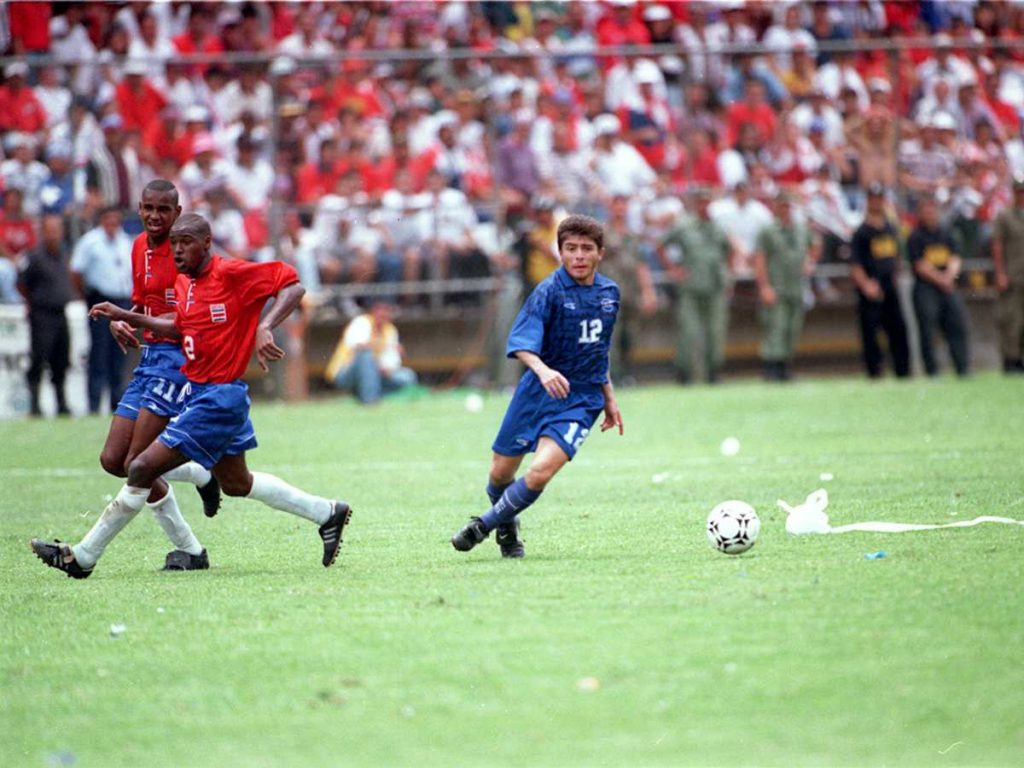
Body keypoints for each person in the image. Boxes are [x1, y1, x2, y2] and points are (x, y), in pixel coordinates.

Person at [31, 214, 352, 579]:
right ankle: (327, 512)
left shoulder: (231, 274)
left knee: (139, 466)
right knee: (236, 483)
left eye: (186, 242)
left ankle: (83, 557)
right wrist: (127, 316)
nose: (177, 249)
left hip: (219, 398)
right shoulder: (185, 282)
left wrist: (265, 325)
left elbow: (292, 286)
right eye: (175, 243)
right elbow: (179, 325)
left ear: (207, 243)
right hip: (202, 393)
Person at [450, 214, 623, 559]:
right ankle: (507, 523)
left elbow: (598, 351)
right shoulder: (548, 291)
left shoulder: (610, 294)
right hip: (537, 393)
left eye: (586, 249)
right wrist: (543, 371)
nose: (578, 256)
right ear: (559, 251)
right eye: (570, 248)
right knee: (500, 472)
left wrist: (608, 397)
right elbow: (522, 343)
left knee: (540, 471)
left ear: (600, 253)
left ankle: (482, 526)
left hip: (581, 399)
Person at [661, 189, 733, 384]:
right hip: (690, 287)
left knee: (715, 331)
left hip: (714, 286)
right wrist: (673, 269)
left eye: (707, 202)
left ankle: (714, 372)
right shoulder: (683, 225)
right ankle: (685, 373)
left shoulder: (717, 227)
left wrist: (727, 275)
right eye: (700, 202)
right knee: (689, 332)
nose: (704, 206)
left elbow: (729, 250)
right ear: (694, 204)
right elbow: (660, 244)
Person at [70, 206, 133, 414]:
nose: (112, 224)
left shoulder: (125, 241)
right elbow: (76, 271)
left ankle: (116, 402)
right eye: (109, 220)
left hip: (122, 302)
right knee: (99, 353)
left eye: (116, 220)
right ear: (101, 220)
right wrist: (86, 296)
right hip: (101, 301)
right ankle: (94, 404)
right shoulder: (91, 241)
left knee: (119, 353)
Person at [753, 193, 820, 381]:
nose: (785, 209)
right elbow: (760, 260)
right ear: (775, 207)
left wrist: (810, 262)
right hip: (776, 286)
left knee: (792, 328)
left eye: (788, 206)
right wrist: (764, 286)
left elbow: (815, 244)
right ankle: (771, 368)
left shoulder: (800, 229)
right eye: (782, 205)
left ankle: (785, 367)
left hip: (795, 287)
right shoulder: (768, 230)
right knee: (775, 328)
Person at [850, 183, 910, 379]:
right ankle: (874, 373)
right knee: (870, 334)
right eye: (873, 198)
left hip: (889, 287)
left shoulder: (891, 229)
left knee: (898, 330)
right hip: (870, 289)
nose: (876, 202)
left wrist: (896, 275)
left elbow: (897, 257)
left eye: (879, 198)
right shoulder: (861, 232)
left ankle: (902, 371)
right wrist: (866, 284)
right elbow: (855, 263)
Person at [17, 214, 75, 417]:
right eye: (50, 230)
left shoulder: (63, 253)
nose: (54, 234)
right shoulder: (34, 257)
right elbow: (21, 283)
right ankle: (34, 405)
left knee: (61, 359)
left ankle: (61, 403)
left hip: (61, 313)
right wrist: (33, 302)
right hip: (42, 315)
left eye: (57, 229)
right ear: (43, 232)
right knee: (38, 359)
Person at [907, 196, 970, 377]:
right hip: (926, 288)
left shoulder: (947, 233)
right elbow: (919, 265)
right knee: (927, 330)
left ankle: (962, 368)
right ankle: (932, 371)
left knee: (957, 325)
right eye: (925, 210)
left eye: (932, 209)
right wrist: (941, 279)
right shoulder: (916, 236)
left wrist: (949, 277)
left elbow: (955, 257)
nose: (929, 213)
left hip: (948, 286)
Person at [601, 194, 657, 382]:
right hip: (608, 294)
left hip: (630, 293)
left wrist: (648, 291)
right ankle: (612, 376)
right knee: (610, 338)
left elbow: (641, 265)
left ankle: (625, 374)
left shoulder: (632, 236)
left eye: (624, 206)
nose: (620, 210)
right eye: (617, 205)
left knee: (629, 335)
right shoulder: (601, 234)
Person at [324, 301, 418, 405]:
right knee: (366, 356)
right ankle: (370, 401)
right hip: (345, 372)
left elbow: (393, 358)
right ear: (373, 312)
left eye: (386, 312)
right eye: (380, 312)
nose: (383, 315)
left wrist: (388, 368)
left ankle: (368, 394)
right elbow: (358, 347)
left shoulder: (390, 329)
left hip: (377, 372)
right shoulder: (361, 322)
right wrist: (384, 346)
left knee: (407, 376)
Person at [991, 177, 1024, 373]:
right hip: (1012, 278)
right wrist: (1000, 273)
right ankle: (1010, 361)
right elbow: (997, 245)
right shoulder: (1005, 216)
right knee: (1011, 320)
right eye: (1019, 191)